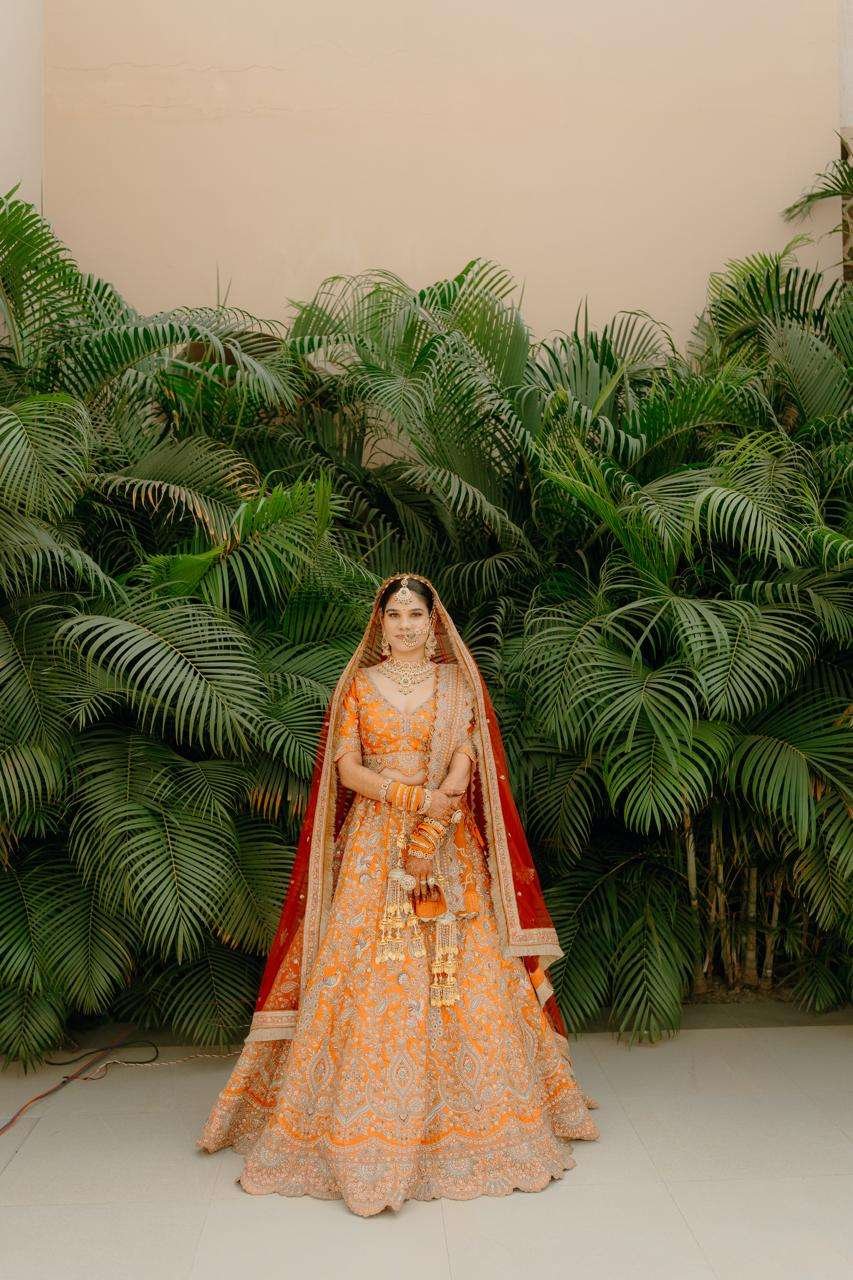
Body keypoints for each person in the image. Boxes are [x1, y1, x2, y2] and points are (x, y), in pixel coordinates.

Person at [197, 572, 599, 1216]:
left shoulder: (456, 683)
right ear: (379, 624)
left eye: (416, 614)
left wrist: (444, 800)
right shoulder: (357, 686)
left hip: (445, 843)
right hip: (376, 845)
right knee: (365, 970)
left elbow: (467, 754)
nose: (406, 625)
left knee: (464, 970)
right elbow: (347, 770)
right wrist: (412, 799)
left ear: (433, 623)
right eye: (395, 615)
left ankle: (475, 1120)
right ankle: (359, 1127)